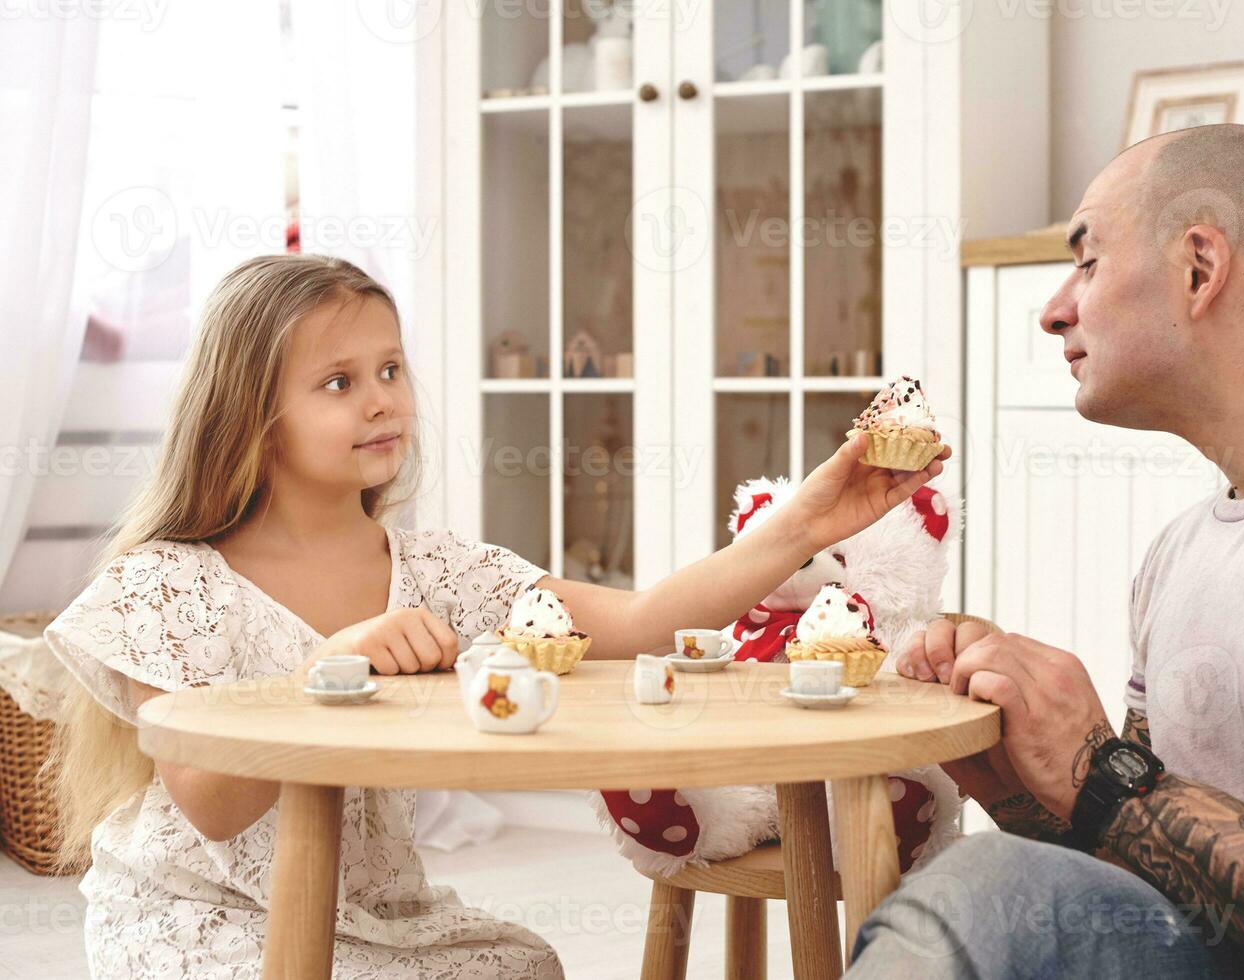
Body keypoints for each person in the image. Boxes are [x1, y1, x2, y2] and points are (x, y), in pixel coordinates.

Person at [44, 253, 948, 978]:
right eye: (337, 382)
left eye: (390, 369)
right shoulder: (169, 581)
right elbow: (210, 804)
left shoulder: (435, 569)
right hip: (201, 921)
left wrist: (805, 525)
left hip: (377, 915)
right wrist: (334, 667)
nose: (381, 398)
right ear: (250, 415)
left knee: (527, 966)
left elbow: (637, 622)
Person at [854, 124, 1244, 978]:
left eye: (1089, 261)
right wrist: (1017, 777)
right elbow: (1147, 857)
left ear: (1198, 268)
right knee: (1002, 882)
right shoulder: (1177, 555)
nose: (1053, 308)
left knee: (985, 887)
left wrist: (1104, 770)